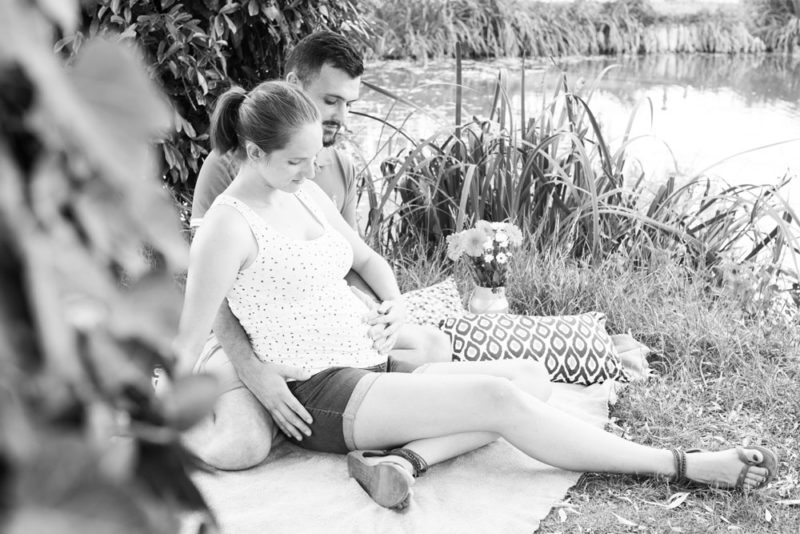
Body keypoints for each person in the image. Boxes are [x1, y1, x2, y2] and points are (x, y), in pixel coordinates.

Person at [172, 80, 778, 510]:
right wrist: (236, 383)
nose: (313, 172)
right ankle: (682, 464)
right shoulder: (227, 226)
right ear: (253, 153)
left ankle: (403, 463)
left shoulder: (299, 193)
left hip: (369, 359)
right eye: (297, 163)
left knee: (530, 379)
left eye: (313, 159)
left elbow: (366, 259)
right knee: (496, 397)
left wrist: (395, 306)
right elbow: (193, 332)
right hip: (321, 389)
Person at [187, 31, 452, 464]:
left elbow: (349, 262)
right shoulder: (233, 166)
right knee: (244, 445)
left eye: (349, 103)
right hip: (243, 338)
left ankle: (397, 447)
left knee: (433, 347)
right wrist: (256, 374)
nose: (341, 116)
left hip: (318, 332)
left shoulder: (334, 163)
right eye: (331, 101)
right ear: (295, 85)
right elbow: (213, 297)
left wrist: (388, 309)